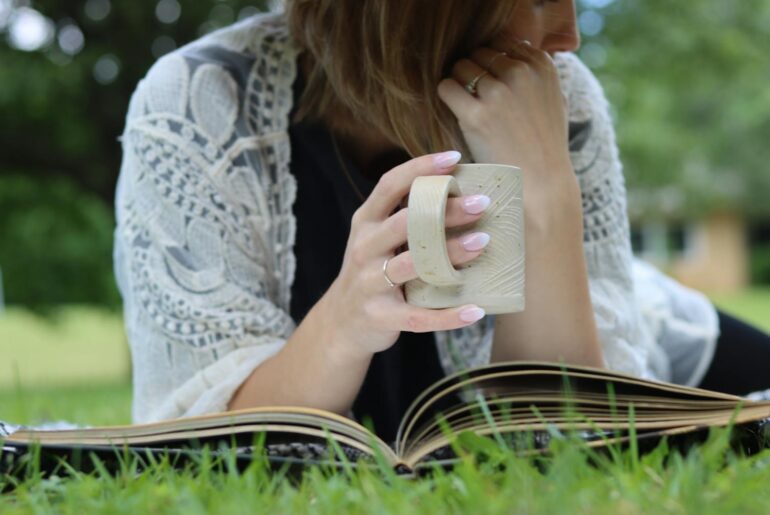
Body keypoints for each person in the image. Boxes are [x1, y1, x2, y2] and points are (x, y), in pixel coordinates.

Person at [114, 0, 770, 442]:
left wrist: (545, 190)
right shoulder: (200, 105)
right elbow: (202, 436)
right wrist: (343, 324)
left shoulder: (558, 93)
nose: (569, 34)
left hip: (644, 332)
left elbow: (562, 432)